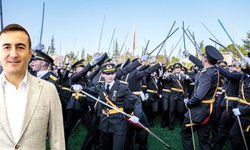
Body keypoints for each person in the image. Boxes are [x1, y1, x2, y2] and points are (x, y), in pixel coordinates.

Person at [0, 24, 65, 149]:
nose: (13, 54)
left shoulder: (48, 90)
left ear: (30, 53)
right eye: (6, 47)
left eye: (20, 47)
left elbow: (58, 142)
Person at [81, 63, 142, 150]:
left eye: (112, 73)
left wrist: (137, 115)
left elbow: (136, 100)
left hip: (118, 123)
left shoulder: (122, 87)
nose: (110, 76)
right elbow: (90, 90)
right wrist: (80, 88)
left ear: (115, 73)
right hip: (104, 123)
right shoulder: (100, 86)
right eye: (107, 74)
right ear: (102, 75)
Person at [180, 45, 224, 150]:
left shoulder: (206, 74)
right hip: (210, 108)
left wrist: (188, 103)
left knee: (185, 134)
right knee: (203, 139)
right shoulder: (214, 69)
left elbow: (199, 96)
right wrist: (189, 56)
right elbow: (201, 64)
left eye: (203, 56)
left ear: (205, 59)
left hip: (199, 110)